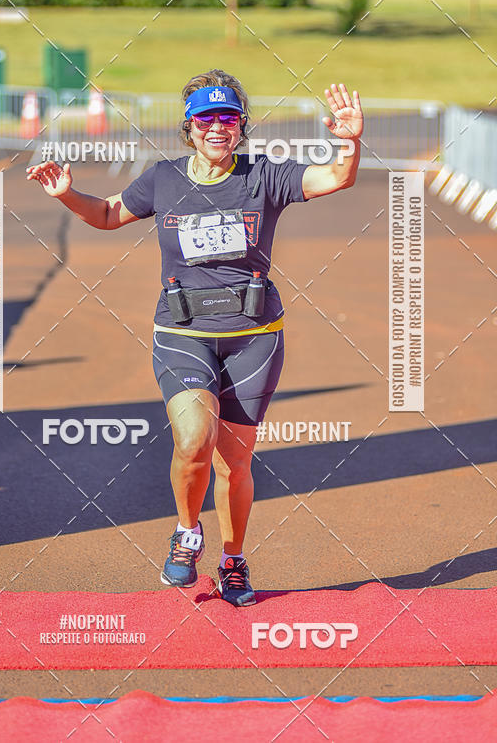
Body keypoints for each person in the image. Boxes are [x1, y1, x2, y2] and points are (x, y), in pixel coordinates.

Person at [27, 70, 363, 606]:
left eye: (228, 117)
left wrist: (348, 140)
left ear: (241, 126)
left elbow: (336, 178)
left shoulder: (264, 177)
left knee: (235, 462)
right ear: (189, 126)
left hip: (255, 337)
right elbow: (111, 214)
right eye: (206, 117)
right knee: (193, 440)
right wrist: (69, 195)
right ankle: (187, 532)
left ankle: (233, 560)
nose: (217, 127)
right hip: (183, 332)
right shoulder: (163, 180)